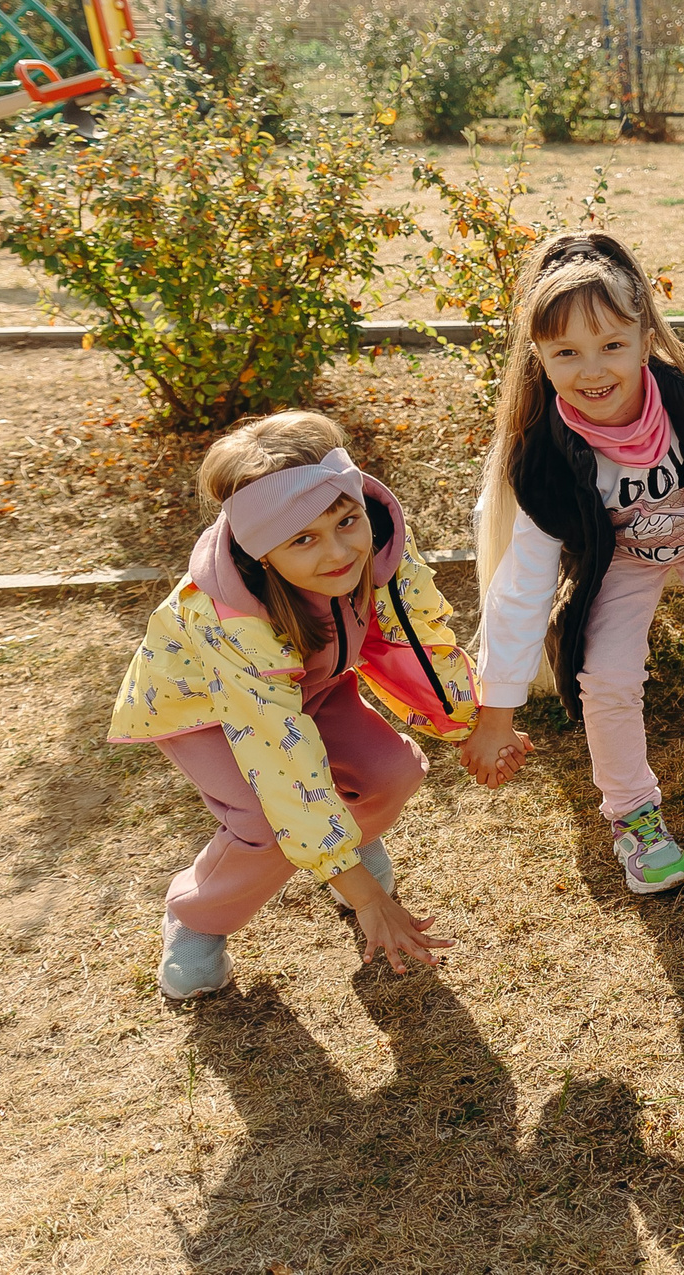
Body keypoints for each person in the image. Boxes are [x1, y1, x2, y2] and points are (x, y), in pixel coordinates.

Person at [112, 412, 525, 1000]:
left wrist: (472, 724)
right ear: (260, 553)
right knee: (263, 821)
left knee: (391, 772)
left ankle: (342, 844)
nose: (337, 553)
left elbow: (417, 644)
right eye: (301, 539)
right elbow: (279, 759)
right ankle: (197, 917)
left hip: (313, 681)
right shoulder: (230, 619)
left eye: (345, 520)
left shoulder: (379, 554)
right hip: (205, 709)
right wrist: (364, 894)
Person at [477, 231, 684, 892]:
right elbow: (521, 587)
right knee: (604, 677)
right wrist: (498, 708)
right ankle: (633, 816)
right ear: (539, 358)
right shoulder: (545, 452)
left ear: (642, 336)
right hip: (623, 557)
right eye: (566, 353)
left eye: (612, 345)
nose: (593, 370)